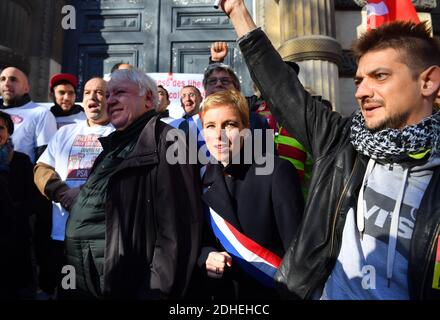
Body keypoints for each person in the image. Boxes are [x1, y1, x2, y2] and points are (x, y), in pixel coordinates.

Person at [219, 0, 440, 300]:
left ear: (427, 82)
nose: (361, 91)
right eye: (359, 80)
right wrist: (237, 11)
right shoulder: (342, 142)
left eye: (380, 76)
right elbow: (282, 89)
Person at [64, 68, 203, 299]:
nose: (110, 100)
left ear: (148, 98)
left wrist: (154, 293)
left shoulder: (169, 142)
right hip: (85, 281)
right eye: (108, 95)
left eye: (119, 93)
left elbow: (176, 232)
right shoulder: (111, 146)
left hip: (125, 286)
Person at [198, 90, 304, 299]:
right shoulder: (200, 177)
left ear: (246, 130)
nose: (219, 135)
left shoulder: (276, 171)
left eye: (229, 125)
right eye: (211, 126)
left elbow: (297, 250)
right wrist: (207, 256)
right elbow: (200, 239)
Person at [33, 77, 114, 298]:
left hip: (101, 238)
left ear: (110, 98)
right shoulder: (65, 132)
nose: (92, 97)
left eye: (99, 92)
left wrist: (82, 194)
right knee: (68, 292)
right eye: (87, 92)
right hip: (62, 235)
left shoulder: (120, 133)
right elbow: (42, 168)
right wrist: (60, 191)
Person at [210, 41, 311, 198]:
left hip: (299, 197)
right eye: (273, 77)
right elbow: (221, 101)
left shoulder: (307, 110)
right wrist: (217, 63)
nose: (278, 83)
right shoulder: (250, 106)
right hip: (258, 192)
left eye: (285, 77)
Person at [0, 111, 38, 299]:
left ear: (8, 132)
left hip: (16, 241)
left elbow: (35, 199)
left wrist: (16, 211)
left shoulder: (21, 161)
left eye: (1, 128)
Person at [0, 67, 57, 163]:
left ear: (26, 88)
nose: (7, 83)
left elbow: (45, 159)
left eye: (13, 79)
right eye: (2, 79)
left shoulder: (40, 113)